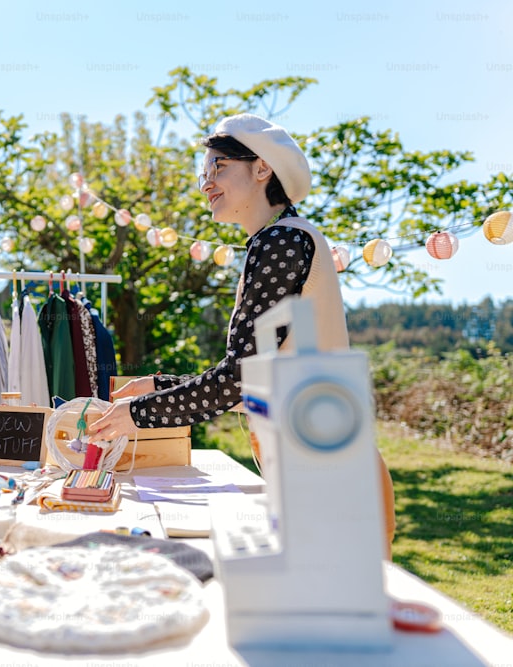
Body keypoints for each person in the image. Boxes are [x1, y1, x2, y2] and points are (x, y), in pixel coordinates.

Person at [89, 113, 396, 552]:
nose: (206, 182)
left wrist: (139, 412)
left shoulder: (281, 242)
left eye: (219, 167)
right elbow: (254, 380)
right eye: (204, 171)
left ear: (262, 168)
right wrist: (156, 386)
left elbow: (240, 379)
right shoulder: (282, 239)